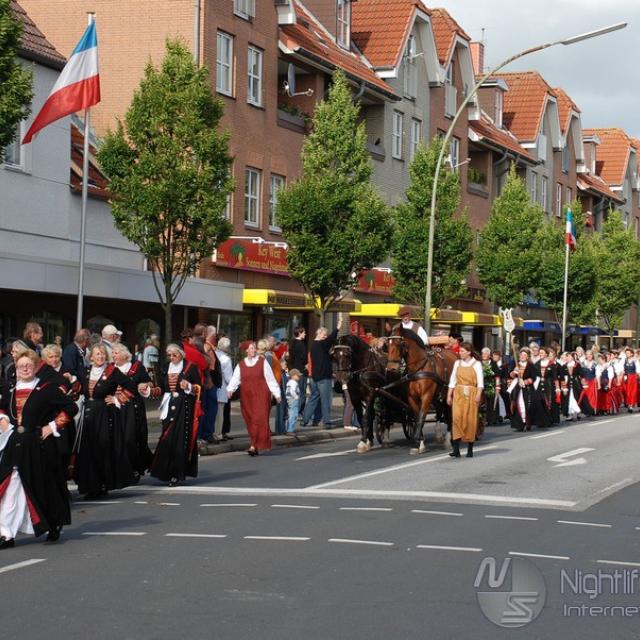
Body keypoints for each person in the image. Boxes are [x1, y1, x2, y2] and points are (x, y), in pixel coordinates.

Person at [0, 349, 78, 547]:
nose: (25, 369)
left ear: (36, 367)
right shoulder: (10, 390)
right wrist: (2, 419)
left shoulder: (47, 388)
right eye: (21, 366)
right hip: (14, 444)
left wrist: (52, 426)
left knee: (44, 485)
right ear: (16, 368)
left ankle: (52, 524)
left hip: (39, 444)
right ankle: (6, 533)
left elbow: (71, 407)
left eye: (29, 365)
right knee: (10, 486)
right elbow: (2, 408)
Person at [75, 344, 137, 499]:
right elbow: (79, 389)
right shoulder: (85, 371)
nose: (101, 356)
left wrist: (117, 399)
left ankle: (103, 484)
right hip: (88, 415)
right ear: (91, 357)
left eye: (103, 354)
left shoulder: (112, 371)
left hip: (105, 414)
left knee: (102, 448)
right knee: (88, 450)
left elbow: (131, 386)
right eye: (97, 354)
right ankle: (90, 485)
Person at [150, 343, 202, 486]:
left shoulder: (190, 367)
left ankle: (176, 473)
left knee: (179, 439)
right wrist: (149, 391)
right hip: (168, 406)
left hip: (184, 407)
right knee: (166, 438)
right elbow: (161, 387)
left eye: (175, 355)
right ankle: (165, 471)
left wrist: (189, 386)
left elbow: (199, 388)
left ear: (181, 354)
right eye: (169, 355)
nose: (172, 358)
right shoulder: (166, 367)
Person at [226, 341, 281, 456]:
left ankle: (253, 445)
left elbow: (270, 378)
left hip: (261, 395)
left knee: (259, 419)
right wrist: (230, 389)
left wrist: (276, 393)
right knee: (250, 420)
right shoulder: (241, 365)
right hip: (247, 397)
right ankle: (255, 444)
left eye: (254, 348)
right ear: (246, 350)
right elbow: (236, 378)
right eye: (251, 348)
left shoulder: (262, 362)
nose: (253, 350)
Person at [112, 343, 153, 482]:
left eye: (116, 353)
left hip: (132, 408)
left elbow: (151, 383)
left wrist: (145, 385)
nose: (113, 355)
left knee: (131, 439)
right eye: (113, 353)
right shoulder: (110, 368)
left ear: (125, 355)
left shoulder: (137, 367)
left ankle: (135, 468)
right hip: (114, 407)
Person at [302, 316, 343, 428]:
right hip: (323, 377)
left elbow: (323, 359)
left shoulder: (313, 345)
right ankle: (327, 422)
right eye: (324, 335)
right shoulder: (322, 344)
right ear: (319, 334)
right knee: (326, 401)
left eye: (326, 335)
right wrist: (338, 326)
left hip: (314, 377)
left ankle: (305, 420)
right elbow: (331, 338)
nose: (325, 337)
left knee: (313, 398)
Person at [447, 342, 483, 458]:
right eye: (460, 351)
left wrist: (478, 395)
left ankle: (470, 449)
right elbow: (452, 380)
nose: (460, 353)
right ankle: (456, 450)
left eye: (462, 351)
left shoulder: (476, 364)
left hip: (471, 393)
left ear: (469, 352)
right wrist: (449, 395)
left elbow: (480, 382)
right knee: (456, 419)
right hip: (458, 393)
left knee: (470, 420)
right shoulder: (457, 363)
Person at [509, 348, 550, 431]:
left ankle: (527, 423)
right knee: (517, 405)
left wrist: (525, 382)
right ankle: (519, 425)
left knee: (527, 406)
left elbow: (533, 378)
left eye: (524, 355)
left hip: (527, 389)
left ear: (527, 357)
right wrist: (514, 372)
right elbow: (511, 375)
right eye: (521, 355)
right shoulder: (516, 365)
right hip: (518, 389)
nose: (522, 356)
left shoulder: (531, 366)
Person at [212, 337, 234, 442]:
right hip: (222, 388)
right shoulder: (226, 359)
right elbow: (228, 377)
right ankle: (218, 434)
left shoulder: (214, 354)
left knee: (212, 412)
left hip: (213, 387)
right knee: (220, 413)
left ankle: (212, 433)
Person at [289, 327, 308, 416]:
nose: (305, 334)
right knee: (302, 392)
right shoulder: (301, 344)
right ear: (299, 333)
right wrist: (306, 365)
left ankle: (292, 410)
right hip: (301, 370)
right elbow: (304, 358)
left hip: (294, 370)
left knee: (294, 391)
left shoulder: (292, 343)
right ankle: (298, 412)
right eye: (304, 332)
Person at [286, 369, 302, 434]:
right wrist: (296, 397)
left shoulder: (290, 382)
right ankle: (290, 430)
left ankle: (289, 428)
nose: (299, 377)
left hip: (290, 399)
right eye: (298, 376)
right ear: (293, 376)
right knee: (294, 415)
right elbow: (292, 391)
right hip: (293, 400)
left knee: (291, 414)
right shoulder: (293, 382)